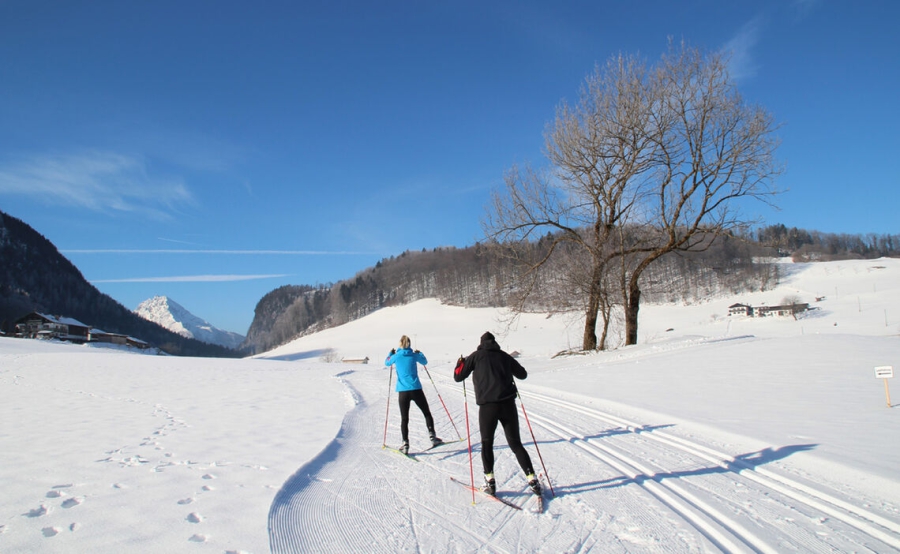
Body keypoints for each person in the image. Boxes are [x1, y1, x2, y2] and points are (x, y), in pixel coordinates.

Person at [454, 331, 541, 497]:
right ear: (495, 343)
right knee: (516, 444)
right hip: (508, 405)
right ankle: (532, 479)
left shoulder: (475, 356)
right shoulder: (504, 356)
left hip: (488, 407)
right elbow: (522, 374)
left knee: (487, 443)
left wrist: (460, 363)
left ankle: (490, 481)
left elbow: (458, 377)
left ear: (481, 343)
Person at [385, 335, 442, 454]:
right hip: (416, 389)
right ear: (409, 344)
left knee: (404, 418)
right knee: (426, 413)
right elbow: (424, 361)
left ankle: (405, 443)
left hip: (403, 392)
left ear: (400, 344)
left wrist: (390, 353)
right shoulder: (413, 355)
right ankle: (432, 436)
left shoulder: (396, 356)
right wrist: (420, 353)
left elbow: (387, 363)